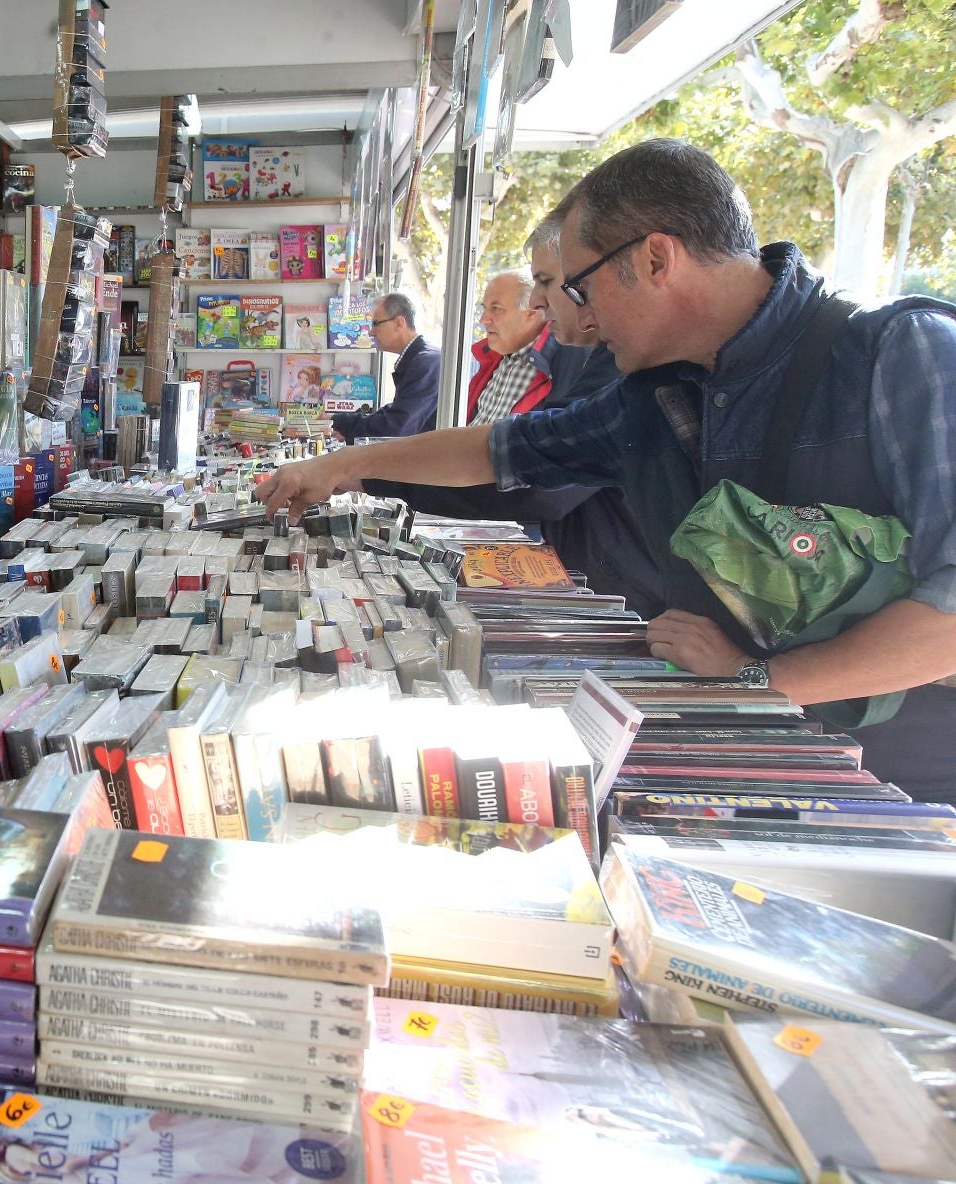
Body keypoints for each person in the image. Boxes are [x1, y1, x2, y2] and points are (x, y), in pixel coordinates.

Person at [261, 139, 956, 798]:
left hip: (904, 768)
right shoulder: (650, 393)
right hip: (740, 732)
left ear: (657, 259)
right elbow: (497, 450)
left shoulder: (903, 357)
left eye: (582, 288)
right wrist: (345, 466)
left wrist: (759, 677)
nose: (580, 321)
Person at [364, 214, 667, 615]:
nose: (539, 302)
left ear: (655, 263)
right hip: (586, 575)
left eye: (549, 281)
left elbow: (535, 475)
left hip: (621, 594)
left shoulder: (616, 365)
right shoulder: (600, 359)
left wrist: (370, 469)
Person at [328, 292, 440, 443]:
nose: (371, 332)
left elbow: (397, 427)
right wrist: (345, 426)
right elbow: (398, 411)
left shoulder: (425, 363)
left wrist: (342, 423)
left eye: (376, 324)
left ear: (399, 323)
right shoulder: (419, 358)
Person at [465, 268, 554, 425]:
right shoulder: (495, 359)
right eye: (484, 308)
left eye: (496, 309)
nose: (484, 319)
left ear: (533, 312)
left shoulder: (557, 364)